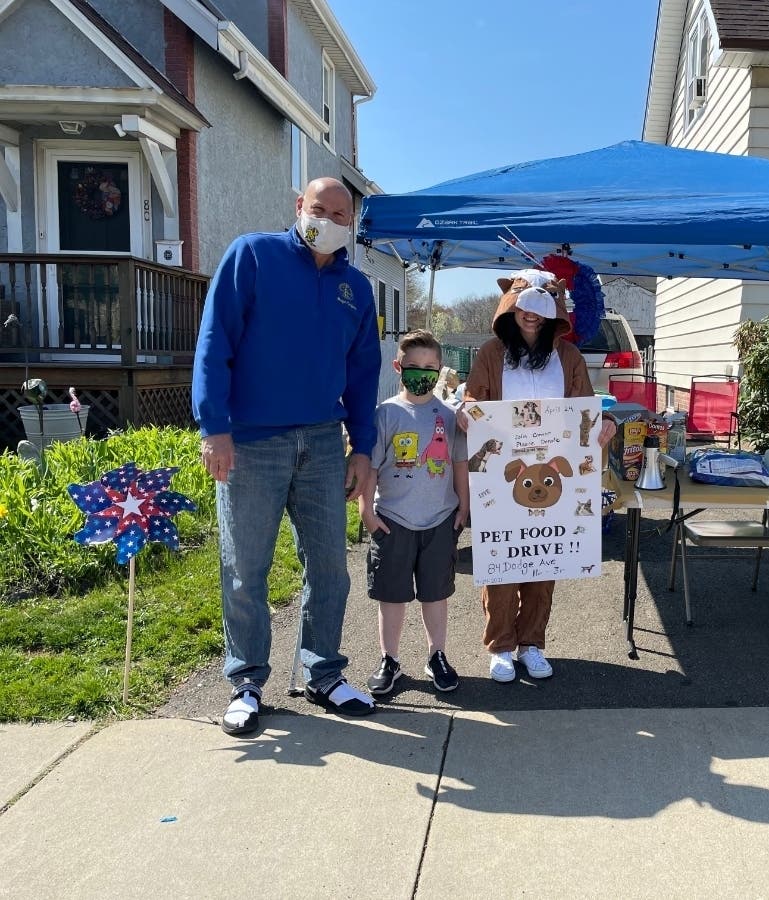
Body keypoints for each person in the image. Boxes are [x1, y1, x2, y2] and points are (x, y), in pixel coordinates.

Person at [193, 177, 382, 735]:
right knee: (246, 569)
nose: (327, 218)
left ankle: (323, 672)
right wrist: (214, 427)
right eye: (317, 208)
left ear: (351, 223)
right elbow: (214, 342)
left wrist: (363, 447)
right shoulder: (252, 255)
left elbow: (363, 371)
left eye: (339, 213)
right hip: (250, 440)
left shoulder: (356, 287)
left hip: (324, 441)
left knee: (329, 568)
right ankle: (246, 682)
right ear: (299, 208)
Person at [461, 270, 616, 682]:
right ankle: (500, 645)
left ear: (555, 314)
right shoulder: (492, 353)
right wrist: (469, 413)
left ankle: (532, 643)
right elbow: (474, 397)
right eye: (525, 306)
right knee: (501, 561)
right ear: (511, 308)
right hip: (503, 475)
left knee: (544, 560)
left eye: (542, 308)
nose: (532, 316)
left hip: (553, 475)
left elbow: (586, 405)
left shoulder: (568, 357)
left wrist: (605, 423)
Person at [358, 330, 468, 695]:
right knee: (392, 595)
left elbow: (458, 464)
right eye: (413, 367)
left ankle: (437, 653)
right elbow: (371, 468)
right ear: (398, 367)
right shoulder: (386, 413)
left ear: (440, 372)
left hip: (439, 520)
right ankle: (389, 658)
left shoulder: (451, 416)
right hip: (393, 521)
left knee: (436, 594)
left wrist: (464, 505)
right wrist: (366, 511)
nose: (422, 374)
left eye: (430, 368)